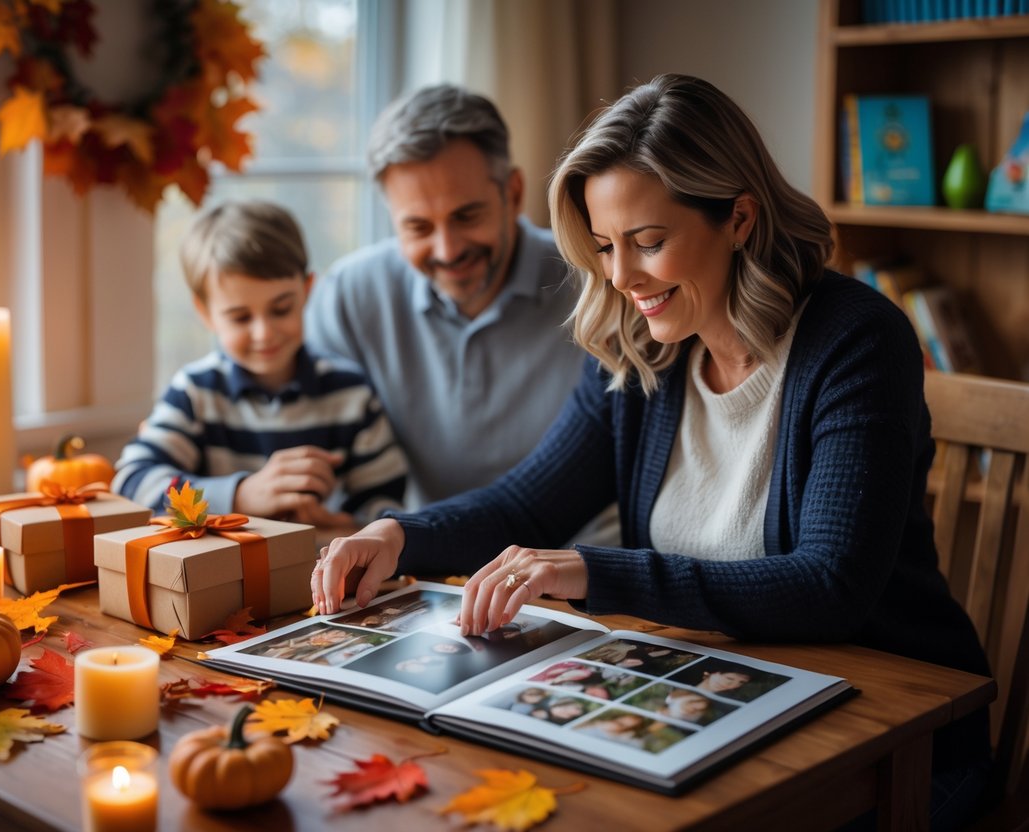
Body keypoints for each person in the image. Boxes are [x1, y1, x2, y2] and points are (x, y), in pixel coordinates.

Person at [312, 74, 991, 826]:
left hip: (896, 740)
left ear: (737, 217)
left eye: (648, 242)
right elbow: (529, 503)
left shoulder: (854, 339)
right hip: (721, 700)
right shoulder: (642, 347)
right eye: (604, 246)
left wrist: (590, 572)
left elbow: (828, 586)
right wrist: (395, 535)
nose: (620, 277)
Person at [304, 84, 617, 544]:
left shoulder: (598, 282)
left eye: (467, 216)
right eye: (418, 227)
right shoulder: (348, 297)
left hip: (577, 570)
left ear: (513, 193)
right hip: (415, 566)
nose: (447, 250)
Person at [112, 200, 407, 531]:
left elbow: (389, 505)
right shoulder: (195, 393)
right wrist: (238, 496)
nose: (264, 333)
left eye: (281, 309)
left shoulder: (350, 393)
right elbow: (131, 480)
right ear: (205, 313)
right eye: (240, 318)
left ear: (307, 291)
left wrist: (342, 524)